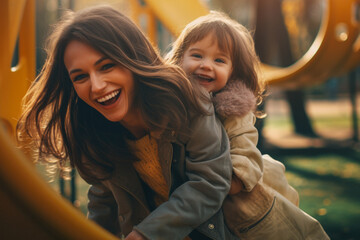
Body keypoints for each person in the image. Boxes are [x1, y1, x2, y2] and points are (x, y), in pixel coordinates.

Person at [16, 6, 237, 240]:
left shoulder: (185, 101)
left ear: (133, 58)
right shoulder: (94, 133)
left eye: (107, 66)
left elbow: (210, 184)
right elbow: (104, 203)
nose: (97, 85)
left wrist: (145, 234)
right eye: (80, 77)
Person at [166, 11, 329, 239]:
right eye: (197, 55)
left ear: (233, 72)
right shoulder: (171, 105)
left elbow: (244, 164)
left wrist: (206, 181)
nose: (206, 65)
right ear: (179, 57)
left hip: (243, 215)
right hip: (194, 209)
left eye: (219, 60)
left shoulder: (234, 113)